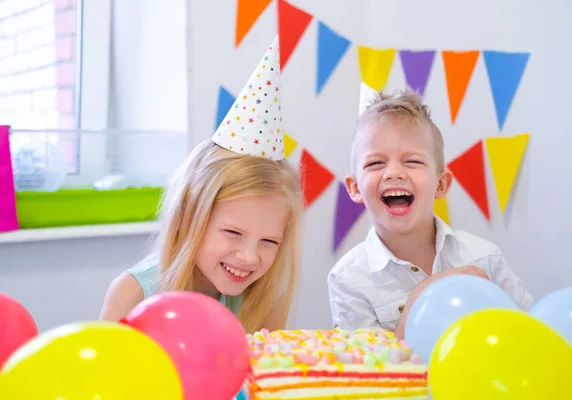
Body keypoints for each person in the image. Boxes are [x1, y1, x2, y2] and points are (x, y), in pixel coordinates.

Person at [100, 37, 303, 334]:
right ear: (188, 216)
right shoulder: (133, 297)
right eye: (233, 232)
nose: (249, 257)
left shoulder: (262, 301)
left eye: (269, 241)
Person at [327, 87, 533, 339]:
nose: (394, 172)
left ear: (441, 184)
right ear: (355, 188)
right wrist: (422, 296)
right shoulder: (348, 280)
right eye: (375, 163)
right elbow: (374, 370)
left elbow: (528, 335)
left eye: (412, 161)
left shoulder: (485, 259)